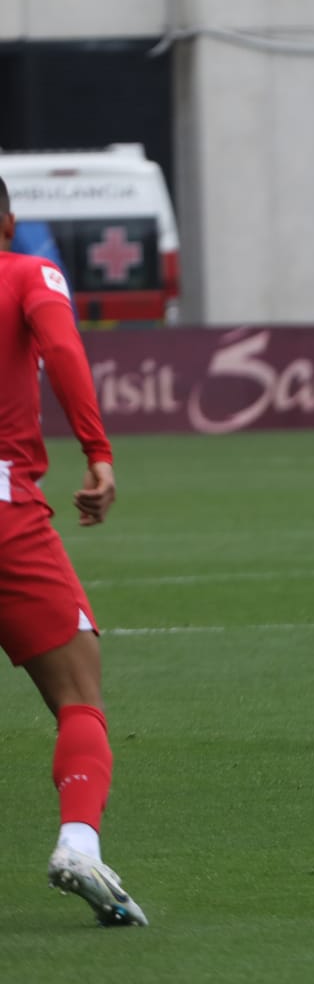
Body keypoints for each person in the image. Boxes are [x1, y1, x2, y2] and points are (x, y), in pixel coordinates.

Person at [0, 176, 141, 926]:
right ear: (10, 222)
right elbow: (61, 346)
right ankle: (78, 844)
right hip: (7, 515)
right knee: (80, 700)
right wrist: (99, 451)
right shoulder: (29, 271)